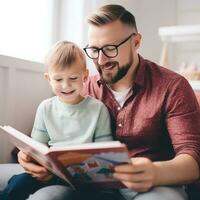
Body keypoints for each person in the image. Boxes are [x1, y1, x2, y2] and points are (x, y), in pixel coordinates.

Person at [2, 4, 200, 200]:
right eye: (94, 50)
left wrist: (154, 172)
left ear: (136, 42)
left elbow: (193, 160)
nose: (101, 59)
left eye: (110, 48)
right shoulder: (82, 86)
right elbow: (43, 139)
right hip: (86, 185)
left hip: (150, 186)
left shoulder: (172, 86)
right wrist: (29, 158)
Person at [0, 41, 112, 200]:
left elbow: (106, 151)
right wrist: (31, 158)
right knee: (17, 184)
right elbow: (37, 146)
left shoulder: (98, 109)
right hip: (50, 172)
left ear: (85, 76)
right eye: (58, 79)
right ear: (48, 78)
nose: (66, 85)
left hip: (84, 177)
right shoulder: (45, 108)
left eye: (73, 78)